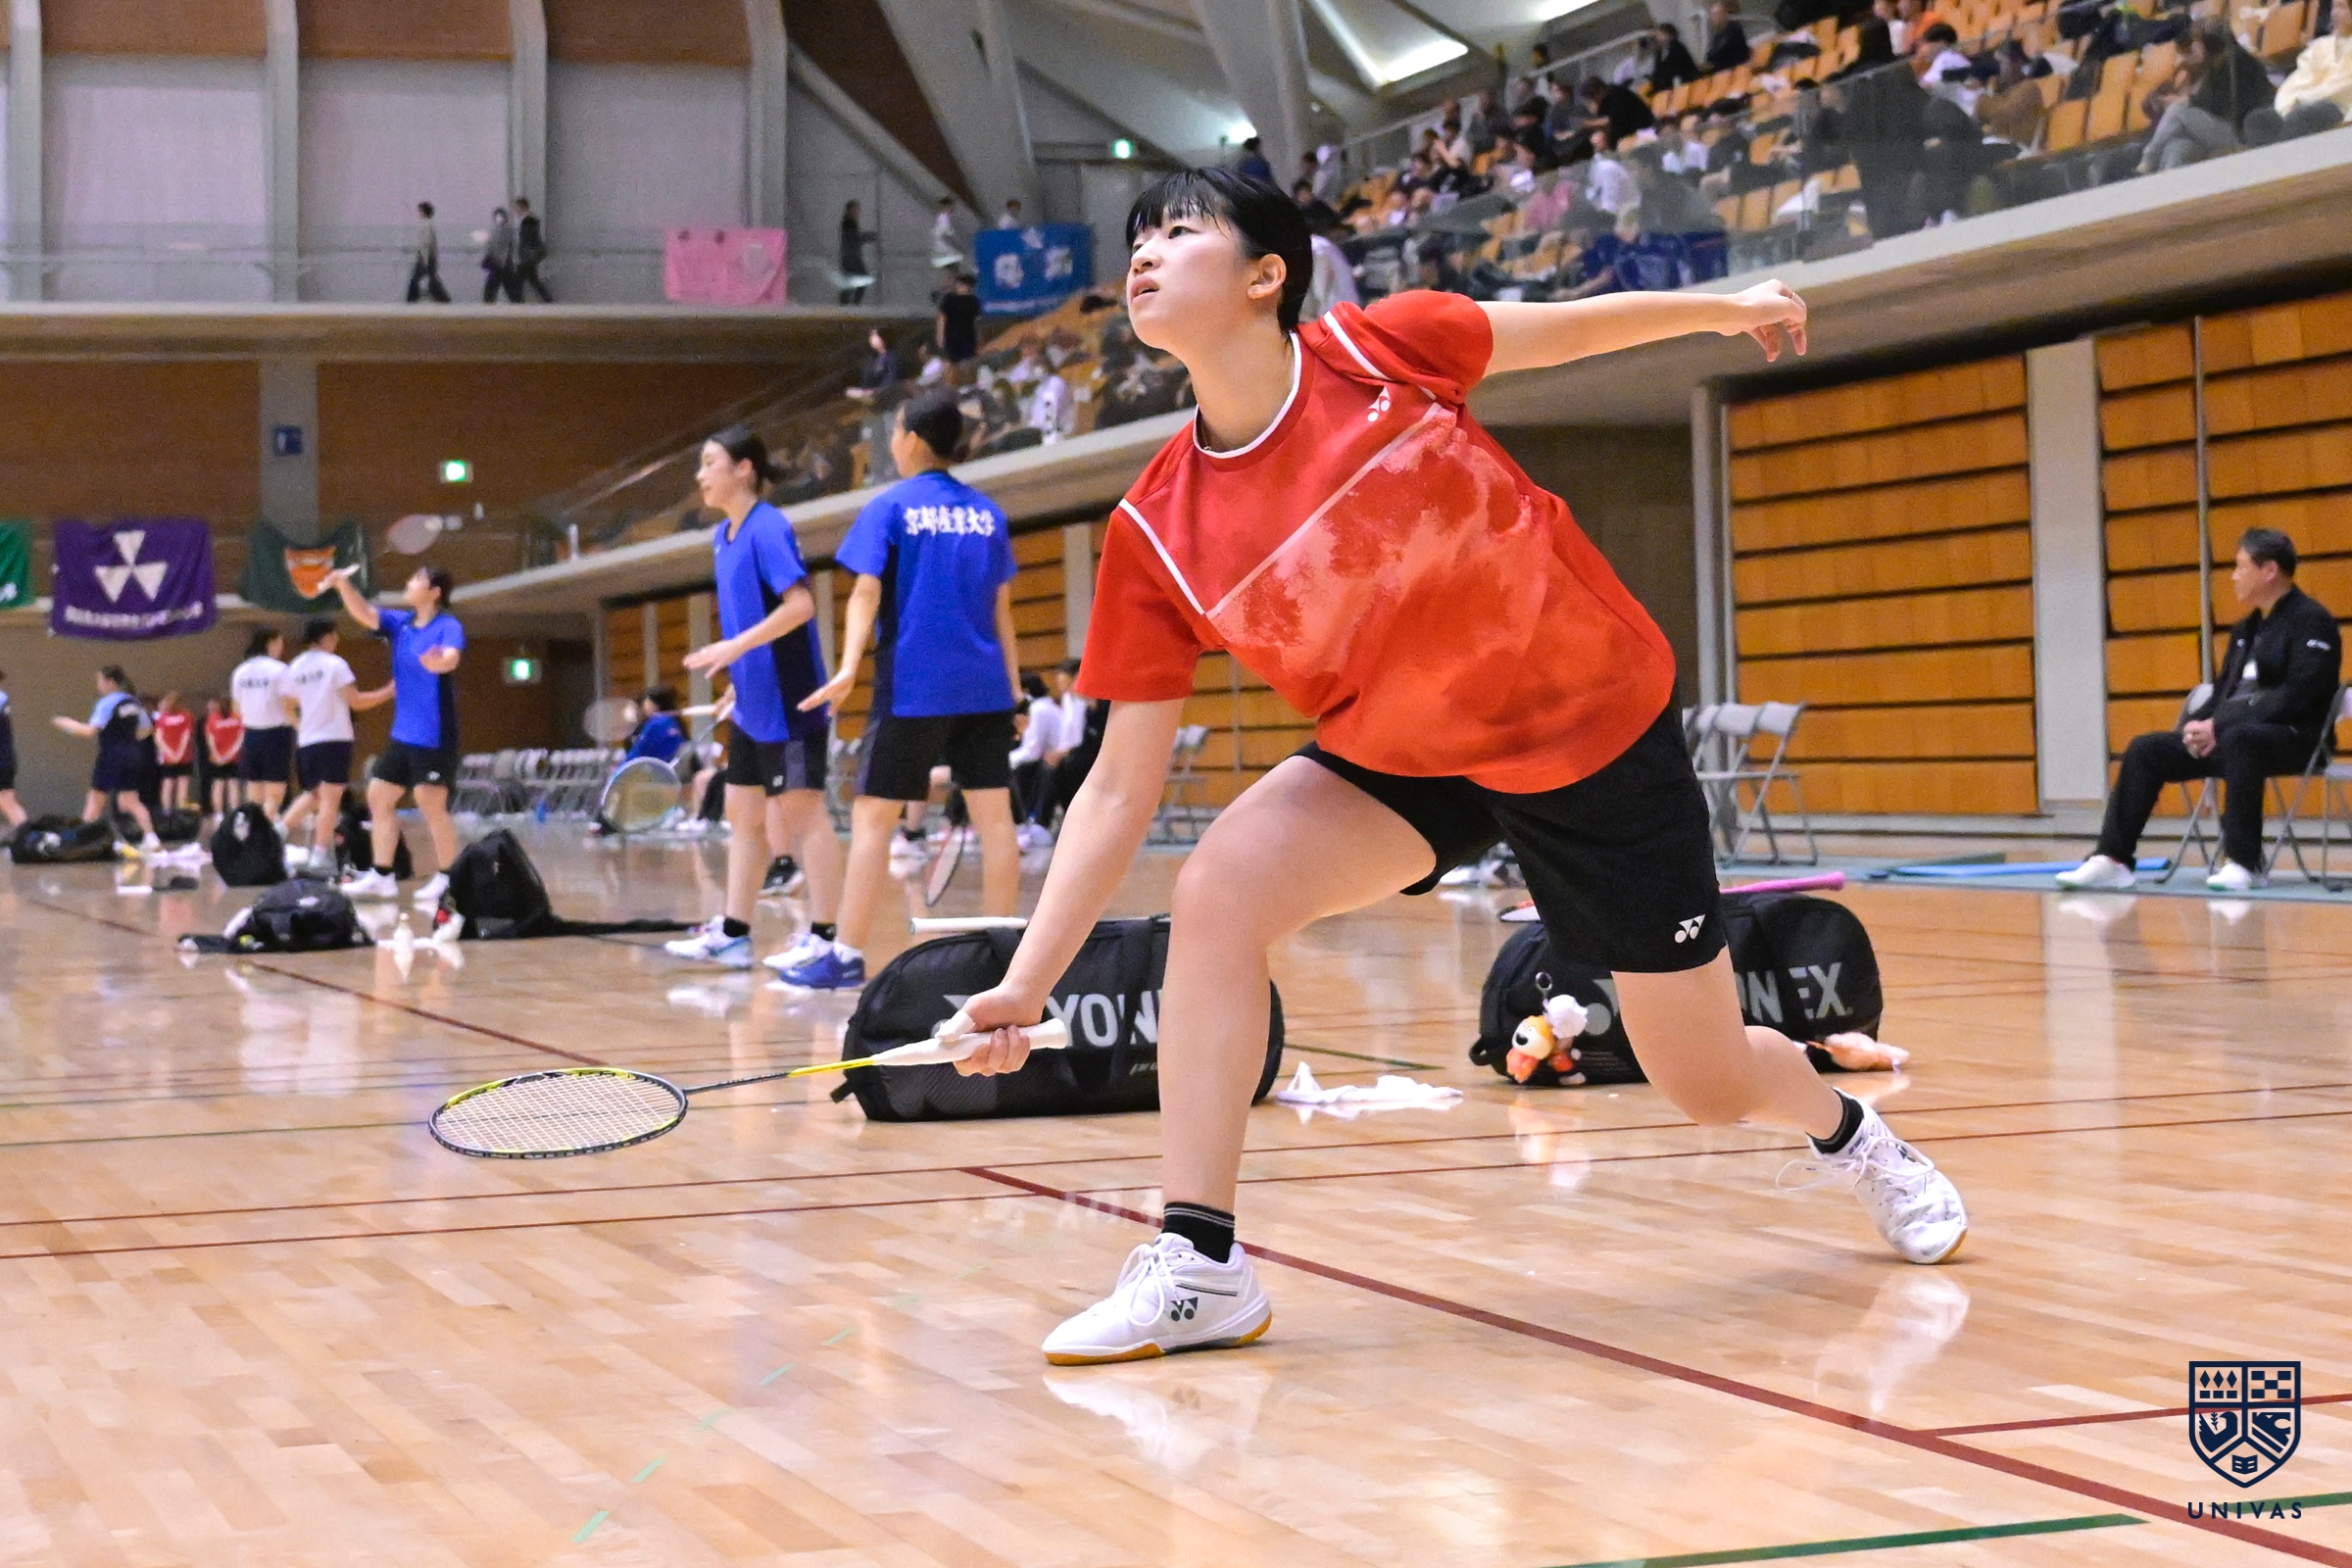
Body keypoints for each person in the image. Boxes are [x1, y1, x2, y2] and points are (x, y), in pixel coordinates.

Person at [940, 167, 1966, 1367]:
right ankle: (1201, 1261)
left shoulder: (1385, 350)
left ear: (1268, 274)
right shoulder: (1156, 532)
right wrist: (1027, 981)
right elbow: (1118, 785)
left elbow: (1571, 329)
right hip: (1407, 752)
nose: (1143, 255)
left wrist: (1722, 309)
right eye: (1137, 240)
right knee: (1217, 891)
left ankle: (1850, 1132)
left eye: (1177, 231)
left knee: (1705, 1080)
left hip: (1586, 723)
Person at [788, 388, 1022, 990]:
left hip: (914, 685)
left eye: (894, 431)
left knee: (873, 819)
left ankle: (845, 956)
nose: (892, 441)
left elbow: (865, 594)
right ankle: (1004, 956)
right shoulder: (988, 514)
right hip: (985, 689)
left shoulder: (890, 506)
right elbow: (1002, 611)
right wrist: (1016, 692)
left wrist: (847, 668)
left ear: (912, 440)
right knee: (997, 821)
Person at [2059, 530, 2342, 894]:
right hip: (2231, 736)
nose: (2233, 576)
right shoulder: (2245, 629)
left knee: (2241, 739)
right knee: (2146, 749)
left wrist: (2218, 727)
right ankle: (2113, 859)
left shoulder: (2312, 621)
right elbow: (2224, 692)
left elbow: (2297, 695)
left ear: (2269, 570)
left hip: (2297, 738)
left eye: (2241, 566)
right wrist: (2198, 726)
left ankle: (2244, 862)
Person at [662, 428, 848, 969]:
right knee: (742, 813)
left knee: (804, 814)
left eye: (709, 463)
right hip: (751, 701)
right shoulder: (723, 536)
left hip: (791, 698)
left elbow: (799, 606)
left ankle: (826, 937)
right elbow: (751, 616)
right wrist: (738, 681)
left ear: (744, 469)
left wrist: (735, 648)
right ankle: (735, 932)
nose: (700, 475)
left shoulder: (768, 527)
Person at [325, 564, 466, 907]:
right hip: (403, 733)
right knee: (379, 795)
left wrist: (437, 663)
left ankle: (448, 877)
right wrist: (342, 585)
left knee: (430, 802)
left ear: (434, 591)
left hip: (434, 733)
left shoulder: (447, 625)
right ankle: (382, 875)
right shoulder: (400, 624)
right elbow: (365, 613)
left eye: (416, 579)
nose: (408, 582)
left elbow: (451, 658)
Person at [281, 617, 392, 877]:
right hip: (334, 739)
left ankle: (277, 831)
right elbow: (356, 702)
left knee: (315, 794)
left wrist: (302, 726)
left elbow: (287, 705)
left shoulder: (295, 666)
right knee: (330, 798)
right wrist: (388, 692)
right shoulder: (335, 664)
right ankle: (319, 854)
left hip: (307, 742)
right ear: (328, 637)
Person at [2138, 21, 2271, 174]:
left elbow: (2218, 104)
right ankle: (2165, 186)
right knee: (2179, 146)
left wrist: (2186, 100)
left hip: (2240, 134)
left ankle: (2149, 159)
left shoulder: (2236, 61)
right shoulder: (2210, 67)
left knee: (2180, 110)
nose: (2193, 48)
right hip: (2216, 131)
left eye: (2196, 42)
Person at [55, 667, 160, 852]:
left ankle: (80, 841)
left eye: (100, 681)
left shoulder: (107, 703)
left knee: (95, 799)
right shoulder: (133, 702)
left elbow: (88, 731)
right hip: (133, 755)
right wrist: (128, 739)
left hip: (111, 756)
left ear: (110, 682)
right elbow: (147, 729)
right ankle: (152, 839)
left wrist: (66, 724)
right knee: (130, 801)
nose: (98, 685)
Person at [2246, 2, 2352, 145]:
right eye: (2334, 7)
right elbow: (2298, 80)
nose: (2334, 13)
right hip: (2302, 104)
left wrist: (2308, 99)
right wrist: (2289, 105)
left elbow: (2344, 87)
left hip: (2337, 107)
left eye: (2342, 7)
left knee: (2305, 116)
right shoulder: (2321, 45)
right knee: (2258, 119)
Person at [230, 626, 294, 818]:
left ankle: (252, 830)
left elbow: (236, 708)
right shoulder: (280, 669)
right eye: (280, 643)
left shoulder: (241, 671)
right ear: (271, 643)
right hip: (277, 734)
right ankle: (264, 830)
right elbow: (288, 704)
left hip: (251, 734)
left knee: (254, 794)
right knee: (275, 793)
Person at [151, 692, 195, 813]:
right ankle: (181, 812)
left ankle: (166, 812)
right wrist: (179, 753)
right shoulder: (186, 716)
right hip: (184, 756)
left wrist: (169, 752)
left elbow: (158, 737)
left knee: (167, 783)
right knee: (183, 784)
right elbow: (186, 735)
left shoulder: (162, 718)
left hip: (167, 757)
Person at [202, 694, 242, 818]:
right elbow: (240, 738)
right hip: (234, 757)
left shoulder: (213, 718)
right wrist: (231, 753)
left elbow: (210, 738)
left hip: (217, 758)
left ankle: (218, 814)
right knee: (233, 784)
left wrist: (217, 755)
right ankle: (234, 812)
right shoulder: (237, 717)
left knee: (218, 784)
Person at [625, 687, 689, 764]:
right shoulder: (675, 722)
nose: (645, 708)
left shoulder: (657, 723)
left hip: (657, 768)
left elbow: (639, 750)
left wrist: (622, 768)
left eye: (647, 704)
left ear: (656, 705)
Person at [408, 201, 451, 303]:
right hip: (429, 256)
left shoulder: (426, 225)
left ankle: (411, 299)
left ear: (423, 212)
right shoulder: (429, 224)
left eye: (420, 211)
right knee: (432, 279)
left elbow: (426, 243)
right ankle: (443, 298)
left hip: (425, 257)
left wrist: (425, 259)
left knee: (416, 279)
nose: (418, 213)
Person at [513, 197, 553, 302]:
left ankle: (517, 302)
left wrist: (524, 256)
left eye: (517, 208)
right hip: (529, 256)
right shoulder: (530, 220)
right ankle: (548, 300)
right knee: (532, 281)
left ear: (523, 207)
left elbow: (527, 240)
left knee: (519, 280)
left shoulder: (528, 221)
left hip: (527, 257)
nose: (516, 210)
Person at [938, 273, 983, 365]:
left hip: (968, 337)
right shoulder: (949, 299)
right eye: (959, 284)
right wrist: (940, 336)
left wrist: (978, 337)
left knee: (968, 361)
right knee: (953, 361)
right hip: (951, 336)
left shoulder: (973, 301)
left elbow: (976, 320)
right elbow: (942, 318)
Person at [839, 199, 876, 305]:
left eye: (857, 209)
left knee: (851, 280)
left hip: (849, 257)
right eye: (854, 209)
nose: (857, 211)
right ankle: (853, 303)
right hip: (852, 258)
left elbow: (855, 238)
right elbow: (855, 238)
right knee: (862, 279)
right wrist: (869, 236)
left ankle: (846, 303)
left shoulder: (849, 223)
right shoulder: (849, 223)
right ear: (849, 210)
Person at [848, 328, 899, 401]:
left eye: (874, 336)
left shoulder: (891, 357)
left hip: (883, 394)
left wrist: (874, 391)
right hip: (871, 392)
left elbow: (891, 380)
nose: (871, 339)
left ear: (883, 338)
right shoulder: (873, 359)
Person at [0, 668, 23, 831]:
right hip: (6, 758)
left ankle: (27, 835)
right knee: (8, 800)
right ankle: (25, 834)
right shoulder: (3, 699)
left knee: (6, 801)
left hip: (2, 759)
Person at [1650, 23, 1704, 89]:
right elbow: (1659, 69)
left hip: (1684, 81)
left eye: (1659, 34)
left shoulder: (1676, 47)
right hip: (1671, 81)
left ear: (1667, 34)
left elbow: (1673, 68)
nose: (1657, 37)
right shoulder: (1662, 50)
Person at [481, 207, 517, 304]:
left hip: (499, 263)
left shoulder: (500, 230)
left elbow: (492, 245)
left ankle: (490, 303)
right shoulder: (506, 230)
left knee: (492, 288)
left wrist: (489, 256)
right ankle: (517, 303)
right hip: (503, 263)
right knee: (508, 287)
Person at [1705, 0, 1751, 74]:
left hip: (1734, 70)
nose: (1713, 18)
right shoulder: (1718, 34)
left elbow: (1719, 51)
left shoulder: (1734, 29)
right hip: (1723, 69)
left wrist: (1711, 57)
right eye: (1712, 15)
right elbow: (1710, 54)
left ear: (1725, 14)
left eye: (1716, 14)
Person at [931, 195, 963, 271]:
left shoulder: (944, 216)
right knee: (954, 264)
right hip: (943, 244)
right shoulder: (944, 217)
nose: (953, 208)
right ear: (946, 206)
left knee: (954, 265)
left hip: (943, 244)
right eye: (951, 206)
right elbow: (944, 231)